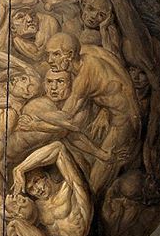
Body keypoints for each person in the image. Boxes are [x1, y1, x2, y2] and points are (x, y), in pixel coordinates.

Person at [45, 32, 140, 194]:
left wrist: (36, 119)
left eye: (55, 54)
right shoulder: (89, 52)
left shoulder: (83, 78)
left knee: (95, 184)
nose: (49, 60)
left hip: (124, 123)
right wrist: (105, 110)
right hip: (115, 114)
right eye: (48, 54)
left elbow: (65, 117)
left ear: (70, 55)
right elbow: (115, 78)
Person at [9, 140, 93, 236]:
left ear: (46, 177)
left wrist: (19, 169)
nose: (37, 189)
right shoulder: (36, 208)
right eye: (31, 189)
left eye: (37, 181)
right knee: (13, 227)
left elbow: (58, 148)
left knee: (15, 225)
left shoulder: (71, 189)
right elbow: (31, 235)